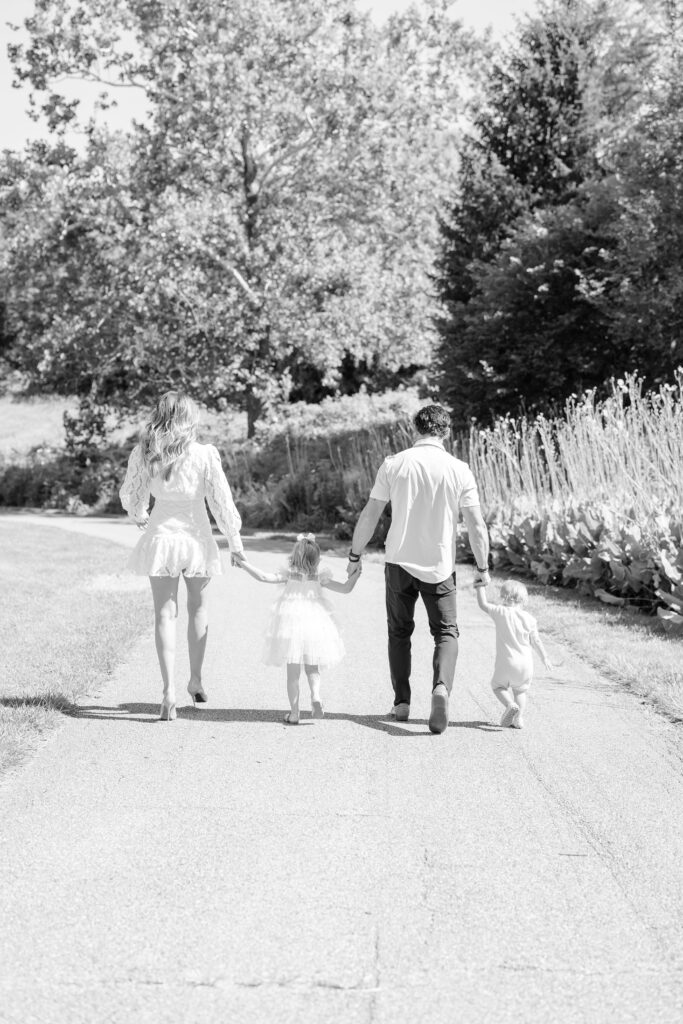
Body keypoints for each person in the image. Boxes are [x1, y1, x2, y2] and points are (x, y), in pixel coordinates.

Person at [345, 404, 490, 734]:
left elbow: (371, 514)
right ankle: (441, 688)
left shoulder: (394, 464)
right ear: (446, 432)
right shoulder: (459, 469)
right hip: (439, 566)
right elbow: (477, 525)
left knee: (399, 631)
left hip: (398, 562)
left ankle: (402, 702)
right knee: (446, 632)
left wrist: (355, 555)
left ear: (416, 430)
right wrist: (482, 567)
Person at [119, 391, 244, 721]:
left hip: (161, 539)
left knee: (164, 614)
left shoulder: (146, 451)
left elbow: (131, 494)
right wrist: (235, 540)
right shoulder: (204, 454)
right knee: (198, 608)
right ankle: (196, 679)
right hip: (197, 539)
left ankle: (168, 691)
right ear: (190, 418)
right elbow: (220, 501)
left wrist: (140, 513)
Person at [233, 533, 360, 724]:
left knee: (292, 674)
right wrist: (356, 574)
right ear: (316, 559)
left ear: (295, 556)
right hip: (315, 625)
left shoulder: (288, 575)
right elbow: (346, 589)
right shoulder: (319, 578)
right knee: (312, 669)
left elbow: (262, 577)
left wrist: (242, 563)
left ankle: (294, 713)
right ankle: (316, 696)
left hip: (290, 627)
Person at [474, 579, 552, 729]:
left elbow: (483, 604)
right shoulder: (530, 619)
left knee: (498, 687)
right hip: (525, 665)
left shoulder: (500, 612)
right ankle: (518, 719)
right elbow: (536, 641)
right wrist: (545, 657)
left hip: (506, 663)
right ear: (524, 599)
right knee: (520, 691)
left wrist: (480, 587)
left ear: (503, 596)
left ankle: (510, 705)